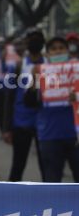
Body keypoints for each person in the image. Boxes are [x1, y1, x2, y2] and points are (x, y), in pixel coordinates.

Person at [24, 37, 79, 182]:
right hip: (50, 135)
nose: (58, 51)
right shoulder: (39, 72)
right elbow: (29, 103)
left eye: (61, 48)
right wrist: (34, 82)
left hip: (75, 134)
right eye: (53, 49)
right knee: (52, 180)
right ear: (47, 54)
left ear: (68, 51)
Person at [2, 30, 45, 181]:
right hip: (21, 123)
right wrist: (7, 128)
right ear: (26, 43)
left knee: (47, 167)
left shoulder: (50, 66)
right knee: (18, 165)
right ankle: (11, 197)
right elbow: (9, 98)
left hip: (44, 124)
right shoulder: (18, 67)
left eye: (38, 39)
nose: (34, 42)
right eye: (31, 39)